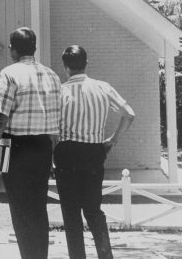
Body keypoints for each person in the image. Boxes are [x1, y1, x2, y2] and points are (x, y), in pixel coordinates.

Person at [0, 27, 61, 259]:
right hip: (43, 147)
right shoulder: (53, 76)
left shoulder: (9, 73)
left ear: (12, 49)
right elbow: (57, 121)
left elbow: (0, 116)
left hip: (14, 147)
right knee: (38, 207)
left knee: (19, 208)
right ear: (34, 48)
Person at [55, 45, 135, 259]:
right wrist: (112, 141)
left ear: (65, 67)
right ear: (86, 64)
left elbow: (52, 130)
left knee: (71, 215)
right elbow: (129, 114)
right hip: (93, 153)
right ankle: (105, 255)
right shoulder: (103, 88)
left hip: (67, 154)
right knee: (93, 211)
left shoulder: (60, 92)